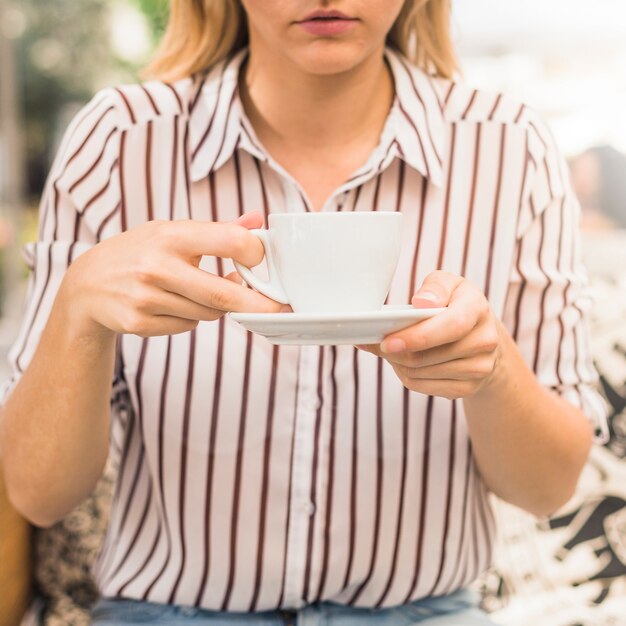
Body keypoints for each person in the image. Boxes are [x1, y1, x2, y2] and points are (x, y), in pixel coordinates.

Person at [0, 1, 607, 624]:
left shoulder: (510, 146)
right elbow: (38, 495)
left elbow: (548, 489)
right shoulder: (118, 143)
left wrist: (494, 372)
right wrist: (79, 309)